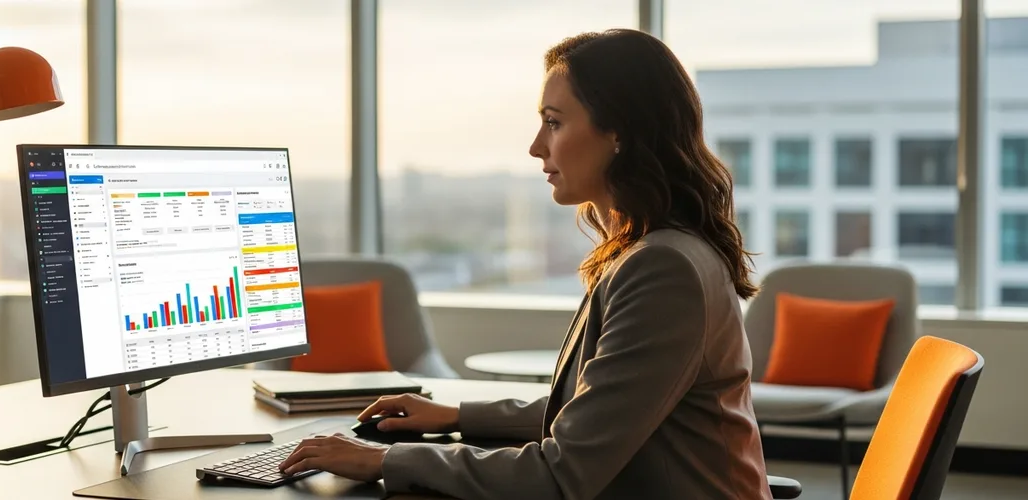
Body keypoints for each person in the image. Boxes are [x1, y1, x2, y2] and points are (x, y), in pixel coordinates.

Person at [278, 28, 771, 499]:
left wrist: (384, 461)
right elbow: (591, 414)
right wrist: (453, 415)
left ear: (619, 131)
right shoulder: (655, 251)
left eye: (554, 122)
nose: (537, 146)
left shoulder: (662, 269)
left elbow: (559, 475)